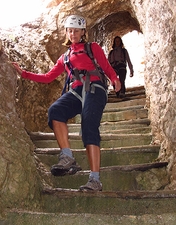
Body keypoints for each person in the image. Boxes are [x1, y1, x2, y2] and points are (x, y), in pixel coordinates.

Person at [12, 15, 121, 191]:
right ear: (66, 32)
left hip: (95, 88)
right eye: (70, 30)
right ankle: (68, 157)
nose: (73, 33)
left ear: (83, 32)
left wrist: (115, 79)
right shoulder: (65, 57)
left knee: (88, 126)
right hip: (77, 91)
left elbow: (106, 66)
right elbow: (48, 77)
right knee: (55, 111)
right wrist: (23, 73)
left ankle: (95, 180)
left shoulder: (92, 48)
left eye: (77, 30)